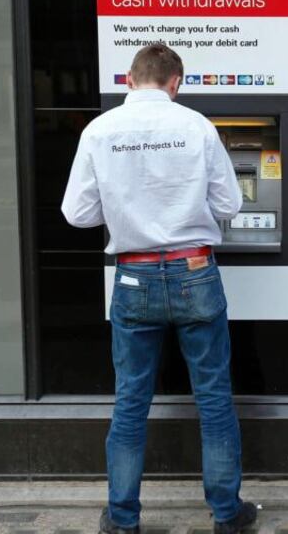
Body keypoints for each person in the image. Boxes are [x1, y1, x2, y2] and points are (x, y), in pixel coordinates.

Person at [61, 43, 256, 534]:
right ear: (176, 82)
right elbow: (230, 205)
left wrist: (127, 206)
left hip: (133, 274)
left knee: (131, 400)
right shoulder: (196, 126)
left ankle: (123, 519)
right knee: (213, 398)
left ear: (129, 80)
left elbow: (77, 214)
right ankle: (227, 514)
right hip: (195, 271)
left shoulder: (99, 130)